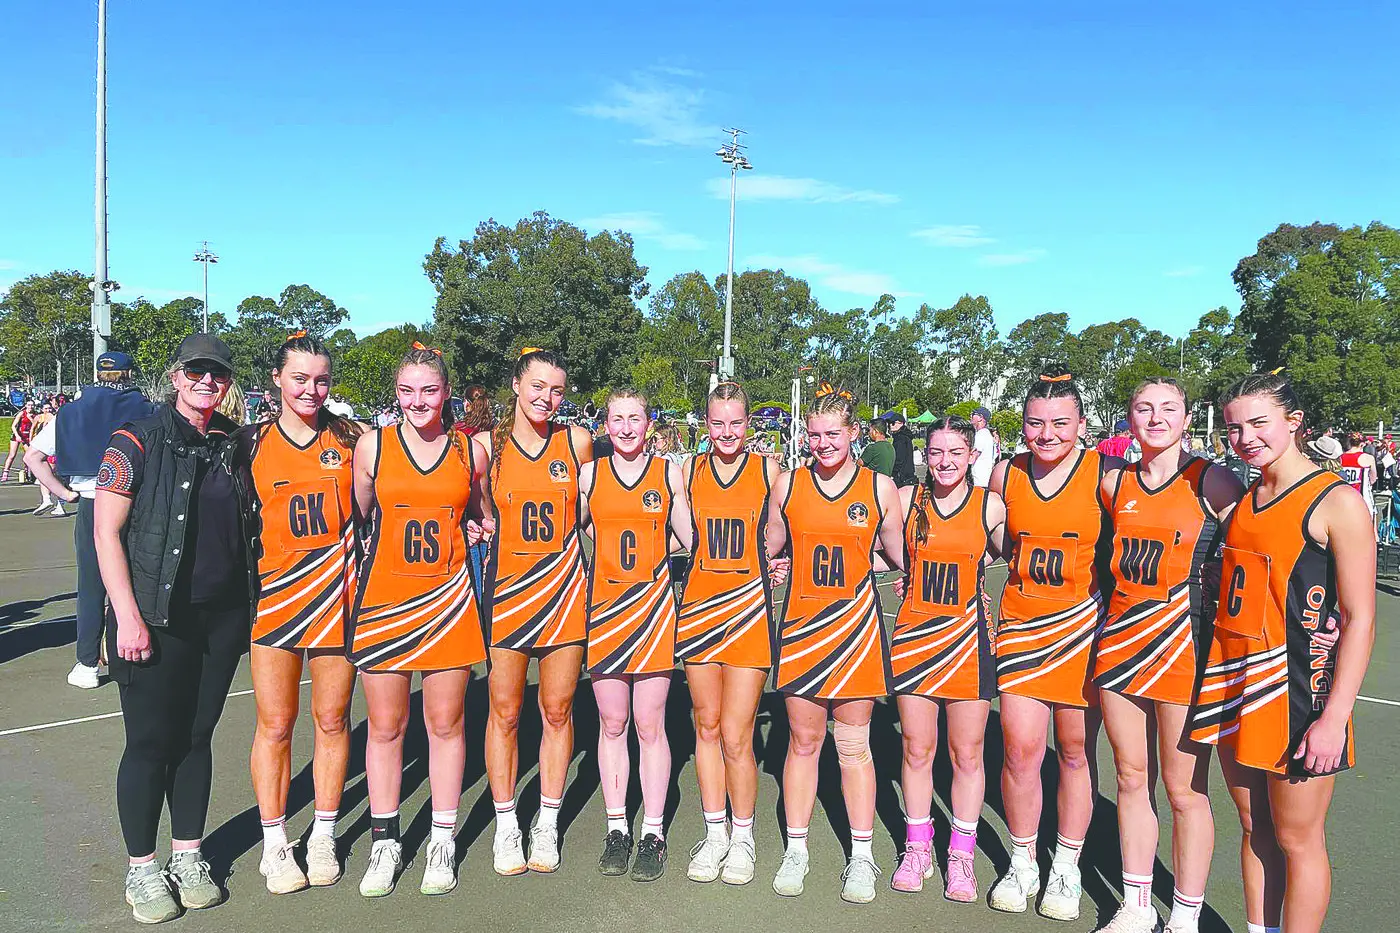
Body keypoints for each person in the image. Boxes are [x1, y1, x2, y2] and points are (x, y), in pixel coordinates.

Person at [1190, 372, 1376, 933]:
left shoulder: (1335, 501)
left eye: (1259, 422)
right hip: (1238, 687)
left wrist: (1334, 717)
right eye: (1234, 427)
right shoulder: (1243, 500)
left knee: (1298, 838)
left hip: (1301, 695)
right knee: (1255, 830)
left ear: (1293, 423)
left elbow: (1360, 617)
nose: (1245, 437)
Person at [93, 334, 253, 924]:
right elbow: (106, 534)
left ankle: (189, 855)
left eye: (217, 374)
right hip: (156, 617)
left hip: (223, 616)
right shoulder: (136, 439)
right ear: (177, 376)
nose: (206, 382)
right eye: (196, 372)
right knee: (150, 742)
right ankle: (142, 868)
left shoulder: (233, 445)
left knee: (197, 736)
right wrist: (127, 616)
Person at [1092, 378, 1245, 933]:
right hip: (1119, 650)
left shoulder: (1215, 481)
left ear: (1186, 417)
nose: (1155, 418)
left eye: (1168, 409)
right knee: (1131, 779)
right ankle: (1134, 908)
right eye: (1143, 408)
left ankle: (1184, 916)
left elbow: (1250, 554)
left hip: (1184, 651)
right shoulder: (1114, 483)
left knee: (1184, 791)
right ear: (1128, 418)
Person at [348, 343, 489, 898]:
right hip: (385, 604)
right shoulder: (372, 447)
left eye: (429, 390)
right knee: (385, 727)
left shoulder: (468, 451)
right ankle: (385, 841)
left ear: (446, 393)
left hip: (449, 605)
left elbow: (480, 511)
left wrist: (483, 527)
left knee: (446, 724)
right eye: (406, 391)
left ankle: (442, 838)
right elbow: (360, 517)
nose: (417, 401)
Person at [987, 366, 1125, 921]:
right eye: (1035, 422)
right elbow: (984, 541)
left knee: (1073, 751)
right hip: (1021, 625)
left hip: (1083, 632)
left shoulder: (1106, 475)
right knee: (1020, 750)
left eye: (1060, 423)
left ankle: (1065, 865)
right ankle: (1023, 861)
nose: (1046, 434)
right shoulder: (1006, 473)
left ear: (1082, 424)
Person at [764, 391, 905, 904]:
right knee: (802, 743)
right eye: (815, 434)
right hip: (802, 629)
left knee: (853, 748)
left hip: (856, 632)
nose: (823, 443)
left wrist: (887, 567)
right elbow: (771, 545)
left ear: (852, 435)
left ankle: (862, 856)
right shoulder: (789, 484)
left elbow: (898, 556)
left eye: (834, 434)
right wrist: (776, 565)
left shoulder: (880, 487)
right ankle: (796, 849)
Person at [238, 333, 363, 894]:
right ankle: (274, 842)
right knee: (276, 723)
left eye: (321, 379)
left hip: (338, 598)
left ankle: (324, 832)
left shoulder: (352, 438)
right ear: (277, 380)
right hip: (274, 600)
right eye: (300, 378)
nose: (312, 389)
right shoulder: (248, 443)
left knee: (333, 719)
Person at [479, 349, 593, 876]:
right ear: (517, 385)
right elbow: (468, 511)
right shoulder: (487, 448)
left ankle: (546, 821)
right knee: (503, 712)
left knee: (557, 710)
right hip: (508, 596)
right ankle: (506, 825)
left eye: (557, 390)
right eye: (539, 386)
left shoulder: (576, 443)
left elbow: (599, 514)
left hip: (566, 595)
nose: (548, 398)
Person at [887, 417, 1005, 900]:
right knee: (917, 749)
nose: (945, 461)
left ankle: (960, 854)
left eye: (956, 451)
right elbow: (877, 552)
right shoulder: (903, 499)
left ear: (973, 455)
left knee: (967, 754)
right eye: (936, 452)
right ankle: (918, 846)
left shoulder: (990, 505)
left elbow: (1014, 557)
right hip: (914, 637)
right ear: (924, 455)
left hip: (968, 642)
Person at [578, 388, 693, 882]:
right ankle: (617, 827)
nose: (626, 428)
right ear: (606, 423)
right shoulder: (590, 474)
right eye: (617, 419)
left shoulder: (668, 472)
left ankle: (653, 833)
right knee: (611, 722)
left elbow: (689, 537)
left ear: (650, 423)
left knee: (650, 725)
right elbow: (573, 531)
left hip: (652, 613)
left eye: (635, 419)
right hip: (604, 613)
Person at [675, 381, 780, 886]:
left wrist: (774, 561)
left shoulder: (768, 470)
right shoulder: (687, 472)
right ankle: (714, 832)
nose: (727, 432)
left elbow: (787, 528)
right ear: (706, 423)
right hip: (698, 611)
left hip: (747, 613)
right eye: (717, 423)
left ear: (749, 424)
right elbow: (672, 531)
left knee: (738, 734)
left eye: (736, 422)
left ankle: (744, 835)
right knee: (707, 726)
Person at [23, 350, 153, 688]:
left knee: (91, 586)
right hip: (136, 503)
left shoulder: (69, 412)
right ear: (127, 374)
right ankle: (139, 652)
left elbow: (33, 457)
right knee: (140, 581)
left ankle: (87, 663)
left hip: (93, 503)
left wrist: (64, 494)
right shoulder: (146, 409)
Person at [26, 403, 65, 515]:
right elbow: (33, 429)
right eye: (46, 408)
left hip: (52, 451)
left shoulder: (52, 418)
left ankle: (49, 500)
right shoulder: (40, 417)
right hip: (48, 449)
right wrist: (31, 441)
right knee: (53, 476)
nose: (48, 410)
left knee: (46, 474)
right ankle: (55, 502)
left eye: (49, 408)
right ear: (42, 409)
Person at [1338, 432, 1377, 531]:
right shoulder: (1368, 458)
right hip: (1362, 497)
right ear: (1362, 444)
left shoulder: (1340, 458)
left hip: (1344, 497)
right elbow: (1373, 479)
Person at [2, 399, 36, 483]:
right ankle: (5, 473)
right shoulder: (22, 413)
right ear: (26, 406)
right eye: (28, 405)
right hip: (18, 435)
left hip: (27, 436)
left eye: (32, 405)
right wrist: (17, 435)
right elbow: (13, 426)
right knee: (12, 455)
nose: (30, 407)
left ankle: (28, 472)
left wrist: (31, 418)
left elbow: (35, 425)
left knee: (28, 455)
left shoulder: (35, 415)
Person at [970, 406, 999, 488]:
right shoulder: (987, 435)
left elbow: (973, 456)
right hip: (986, 481)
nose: (970, 416)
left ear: (980, 418)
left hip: (979, 482)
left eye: (973, 414)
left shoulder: (981, 434)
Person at [886, 412, 917, 488]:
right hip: (907, 474)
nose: (890, 425)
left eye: (893, 423)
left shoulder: (901, 438)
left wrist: (893, 472)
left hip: (902, 476)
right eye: (889, 423)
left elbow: (899, 459)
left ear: (901, 423)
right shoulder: (904, 436)